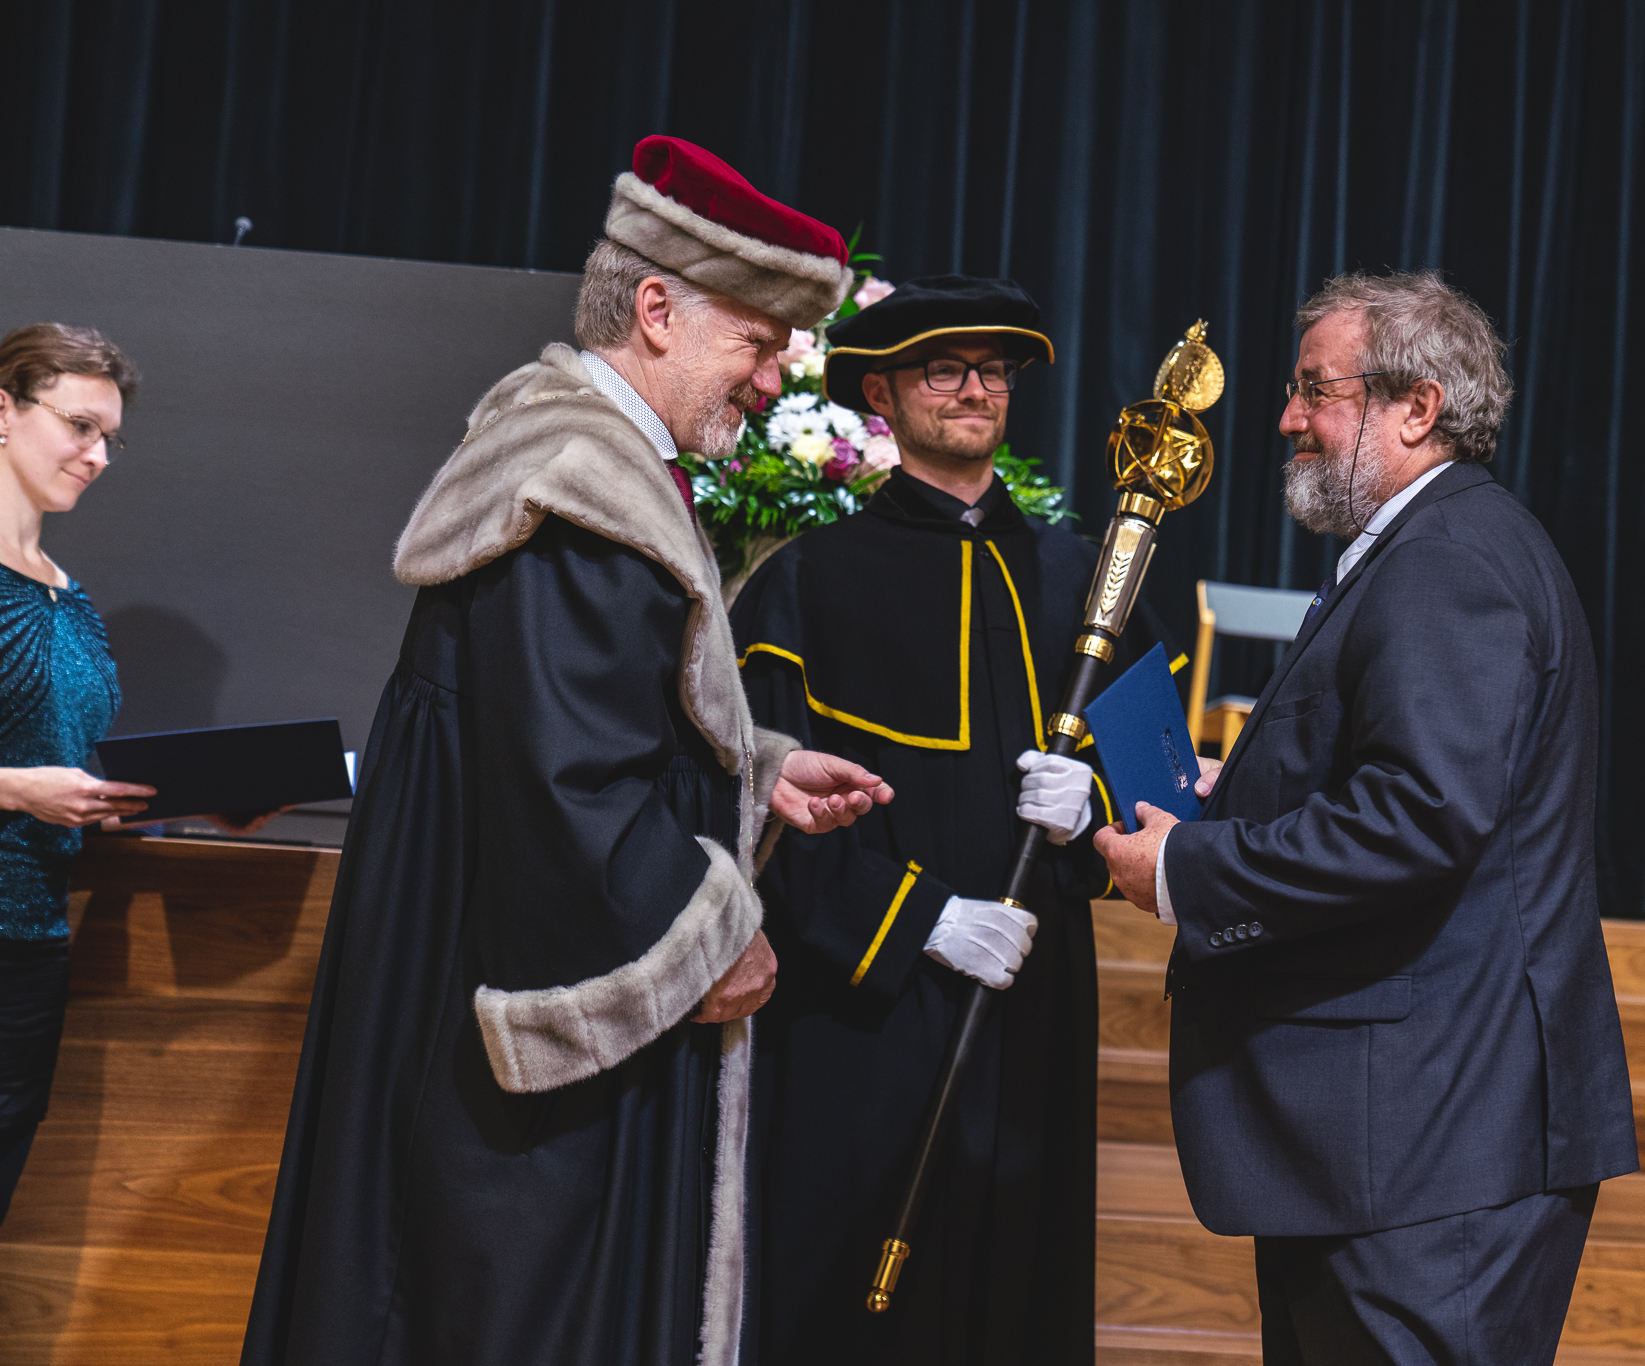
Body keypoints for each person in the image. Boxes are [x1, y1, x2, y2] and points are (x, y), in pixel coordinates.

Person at [241, 137, 891, 1366]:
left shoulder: (585, 459)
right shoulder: (584, 495)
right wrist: (718, 938)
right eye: (755, 343)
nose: (768, 381)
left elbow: (574, 722)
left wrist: (752, 768)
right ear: (657, 310)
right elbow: (565, 788)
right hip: (519, 1059)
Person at [1096, 270, 1638, 1365]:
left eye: (1315, 389)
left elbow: (1417, 817)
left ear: (1417, 407)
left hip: (1428, 1146)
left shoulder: (1446, 560)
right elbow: (1408, 784)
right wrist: (1238, 794)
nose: (1286, 418)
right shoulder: (1426, 544)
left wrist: (1188, 869)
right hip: (1389, 1144)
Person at [729, 276, 1178, 1364]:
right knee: (850, 1302)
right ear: (880, 394)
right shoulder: (805, 584)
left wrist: (1090, 812)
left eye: (995, 371)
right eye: (944, 369)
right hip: (862, 1010)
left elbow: (1161, 790)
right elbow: (753, 813)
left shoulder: (1088, 575)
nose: (975, 389)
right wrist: (918, 920)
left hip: (1034, 999)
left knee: (1015, 1294)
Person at [0, 324, 151, 1224]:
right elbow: (30, 775)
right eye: (80, 426)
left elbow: (65, 753)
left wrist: (166, 802)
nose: (97, 456)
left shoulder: (69, 596)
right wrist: (19, 789)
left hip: (31, 943)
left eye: (109, 439)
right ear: (3, 411)